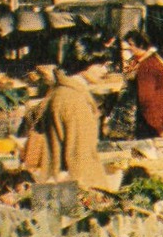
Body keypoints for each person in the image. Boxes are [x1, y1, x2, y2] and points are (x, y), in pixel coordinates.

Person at [34, 51, 113, 192]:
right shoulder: (74, 100)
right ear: (84, 63)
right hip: (76, 189)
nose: (105, 71)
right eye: (100, 65)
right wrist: (91, 193)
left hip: (58, 181)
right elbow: (79, 155)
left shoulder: (62, 91)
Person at [123, 30, 163, 139]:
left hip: (149, 115)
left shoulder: (150, 61)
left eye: (131, 44)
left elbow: (147, 98)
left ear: (141, 45)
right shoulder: (134, 58)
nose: (128, 48)